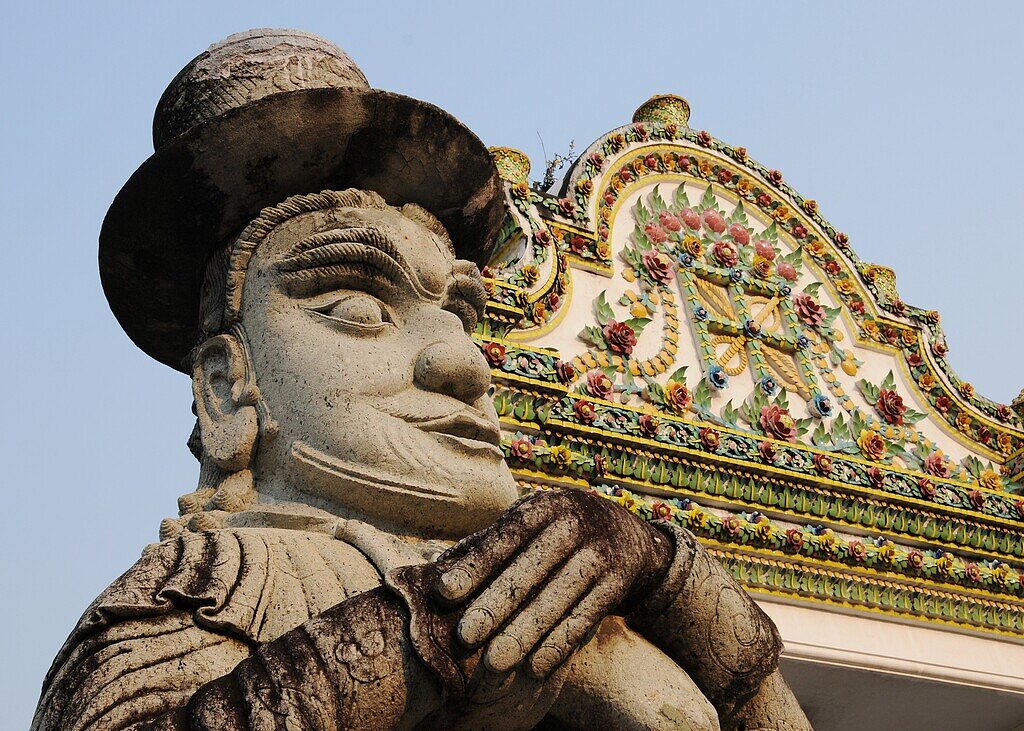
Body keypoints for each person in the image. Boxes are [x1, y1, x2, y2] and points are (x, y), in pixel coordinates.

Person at [33, 29, 811, 730]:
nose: (464, 364)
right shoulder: (201, 593)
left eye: (461, 317)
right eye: (359, 307)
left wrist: (663, 573)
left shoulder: (583, 581)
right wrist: (446, 627)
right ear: (226, 387)